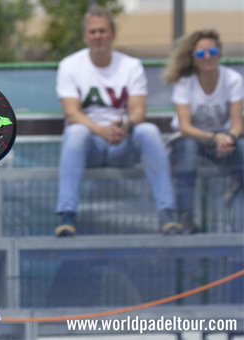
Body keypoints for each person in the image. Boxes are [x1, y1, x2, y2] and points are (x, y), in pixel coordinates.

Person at [54, 4, 182, 237]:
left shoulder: (131, 66)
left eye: (102, 31)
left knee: (149, 131)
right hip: (89, 144)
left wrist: (125, 126)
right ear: (85, 36)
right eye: (93, 32)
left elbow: (138, 110)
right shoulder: (69, 66)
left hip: (121, 143)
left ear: (112, 34)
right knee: (75, 131)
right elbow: (71, 113)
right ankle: (67, 216)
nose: (98, 36)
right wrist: (100, 130)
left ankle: (167, 213)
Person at [163, 29, 243, 232]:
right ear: (193, 57)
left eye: (212, 51)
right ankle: (186, 216)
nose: (207, 56)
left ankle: (236, 192)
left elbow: (237, 123)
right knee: (187, 148)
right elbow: (185, 127)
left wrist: (229, 138)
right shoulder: (184, 82)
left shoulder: (233, 79)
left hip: (223, 143)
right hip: (192, 140)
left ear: (219, 53)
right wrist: (214, 138)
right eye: (200, 53)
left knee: (242, 147)